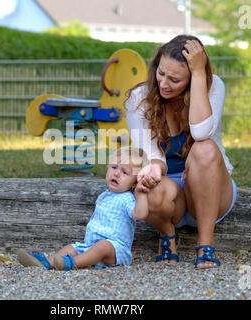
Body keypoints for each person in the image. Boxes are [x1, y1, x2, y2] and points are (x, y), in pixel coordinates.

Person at [125, 35, 237, 269]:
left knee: (205, 149)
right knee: (145, 181)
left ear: (192, 78)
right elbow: (151, 155)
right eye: (161, 73)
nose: (164, 84)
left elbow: (201, 132)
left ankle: (206, 245)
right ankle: (167, 234)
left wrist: (198, 77)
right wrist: (152, 174)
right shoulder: (139, 98)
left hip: (209, 191)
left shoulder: (213, 86)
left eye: (175, 79)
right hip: (169, 196)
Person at [16, 146, 150, 270]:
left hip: (115, 250)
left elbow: (140, 214)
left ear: (135, 183)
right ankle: (47, 262)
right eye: (114, 167)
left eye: (124, 172)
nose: (116, 174)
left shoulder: (127, 198)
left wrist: (141, 194)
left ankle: (72, 263)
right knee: (71, 248)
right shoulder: (105, 195)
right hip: (90, 246)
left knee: (103, 246)